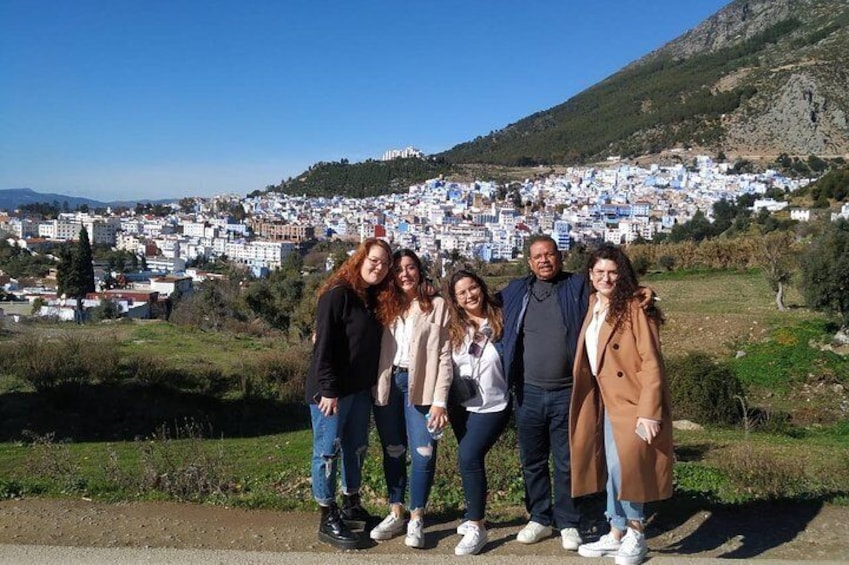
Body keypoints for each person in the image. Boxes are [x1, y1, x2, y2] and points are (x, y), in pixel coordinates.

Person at [570, 244, 673, 565]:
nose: (606, 277)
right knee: (611, 467)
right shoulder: (592, 304)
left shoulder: (633, 307)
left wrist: (649, 411)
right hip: (601, 400)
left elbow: (651, 362)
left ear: (622, 274)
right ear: (590, 275)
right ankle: (616, 532)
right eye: (599, 272)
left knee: (626, 467)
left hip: (631, 399)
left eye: (613, 272)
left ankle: (636, 533)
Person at [304, 237, 393, 550]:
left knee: (356, 448)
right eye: (374, 260)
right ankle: (327, 517)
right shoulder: (337, 294)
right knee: (327, 452)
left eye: (384, 263)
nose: (378, 267)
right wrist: (328, 389)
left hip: (358, 391)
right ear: (360, 259)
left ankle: (351, 504)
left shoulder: (371, 298)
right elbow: (323, 346)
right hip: (331, 393)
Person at [499, 234, 587, 550]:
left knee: (567, 461)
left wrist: (642, 292)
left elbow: (612, 291)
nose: (544, 260)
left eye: (549, 254)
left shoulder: (577, 287)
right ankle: (539, 517)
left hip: (568, 391)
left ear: (560, 256)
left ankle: (568, 522)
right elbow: (477, 302)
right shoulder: (516, 290)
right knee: (532, 460)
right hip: (528, 392)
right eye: (537, 256)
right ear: (529, 261)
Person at [369, 249, 452, 548]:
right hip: (387, 383)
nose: (405, 274)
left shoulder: (437, 305)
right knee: (393, 450)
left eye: (411, 268)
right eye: (399, 269)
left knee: (423, 453)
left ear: (420, 271)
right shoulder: (383, 303)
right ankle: (396, 511)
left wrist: (441, 400)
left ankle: (417, 517)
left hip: (423, 386)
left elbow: (444, 355)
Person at [445, 269, 511, 556]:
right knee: (471, 460)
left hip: (495, 405)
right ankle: (474, 512)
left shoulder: (501, 318)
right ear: (455, 300)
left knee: (468, 456)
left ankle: (477, 525)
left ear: (482, 288)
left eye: (473, 288)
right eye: (462, 292)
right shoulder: (453, 326)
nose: (469, 295)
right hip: (461, 405)